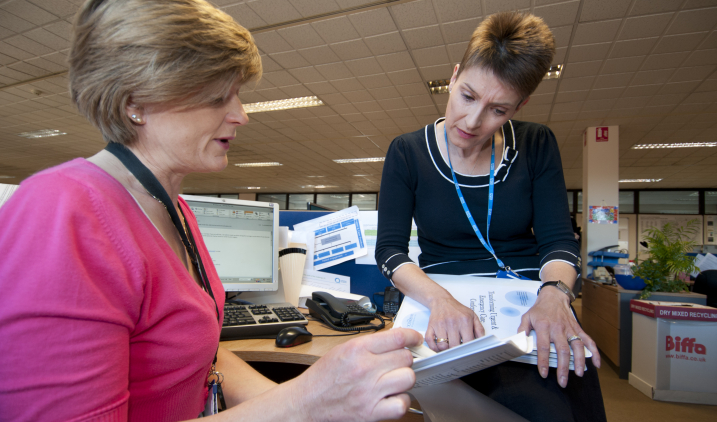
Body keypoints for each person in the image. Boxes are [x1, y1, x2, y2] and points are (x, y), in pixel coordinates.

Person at [0, 1, 422, 421]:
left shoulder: (173, 209)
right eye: (218, 97)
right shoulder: (61, 213)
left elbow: (201, 354)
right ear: (137, 102)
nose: (241, 115)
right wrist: (307, 403)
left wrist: (312, 397)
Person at [375, 11, 606, 422]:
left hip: (529, 306)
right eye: (467, 96)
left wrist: (555, 295)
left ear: (520, 105)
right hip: (445, 301)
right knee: (541, 409)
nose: (473, 121)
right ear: (454, 75)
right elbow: (390, 251)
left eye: (498, 110)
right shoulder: (408, 152)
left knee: (574, 386)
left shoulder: (536, 145)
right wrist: (440, 300)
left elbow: (557, 239)